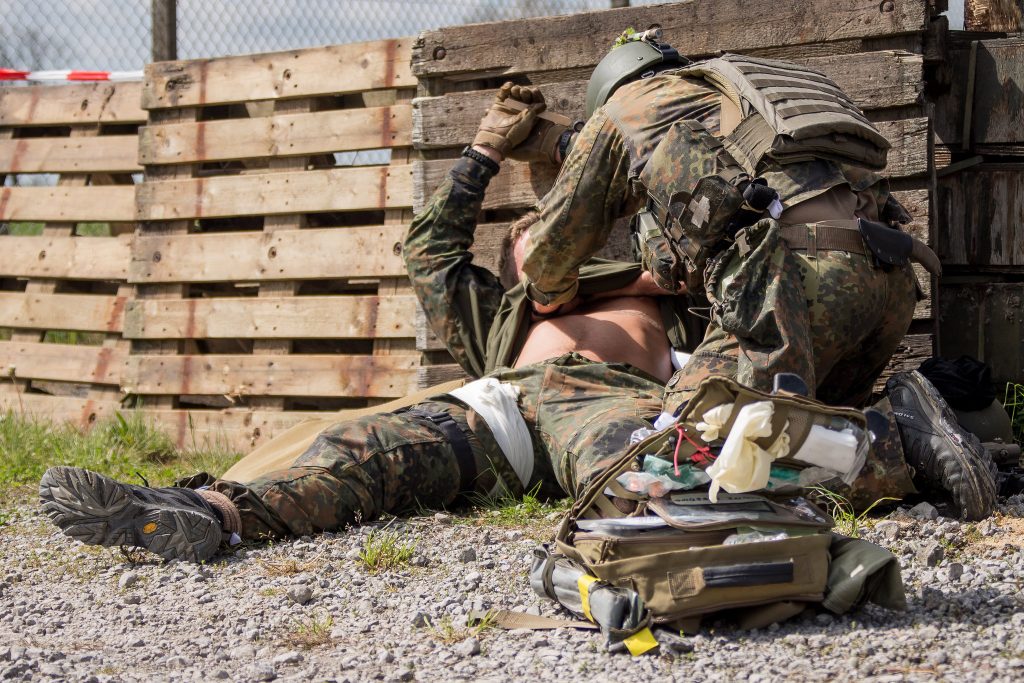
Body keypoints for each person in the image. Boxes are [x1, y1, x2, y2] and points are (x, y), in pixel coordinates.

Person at [38, 84, 707, 563]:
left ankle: (716, 543)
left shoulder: (673, 295)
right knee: (358, 453)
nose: (536, 239)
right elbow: (430, 250)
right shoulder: (502, 316)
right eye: (523, 239)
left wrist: (650, 266)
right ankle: (200, 514)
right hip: (498, 411)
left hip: (610, 401)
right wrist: (480, 156)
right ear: (512, 268)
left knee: (638, 470)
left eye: (550, 230)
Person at [514, 32, 996, 519]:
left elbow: (550, 248)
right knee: (801, 434)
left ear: (609, 92)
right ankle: (915, 440)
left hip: (792, 289)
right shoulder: (744, 96)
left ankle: (897, 442)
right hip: (887, 284)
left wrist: (548, 297)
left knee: (678, 461)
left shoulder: (622, 111)